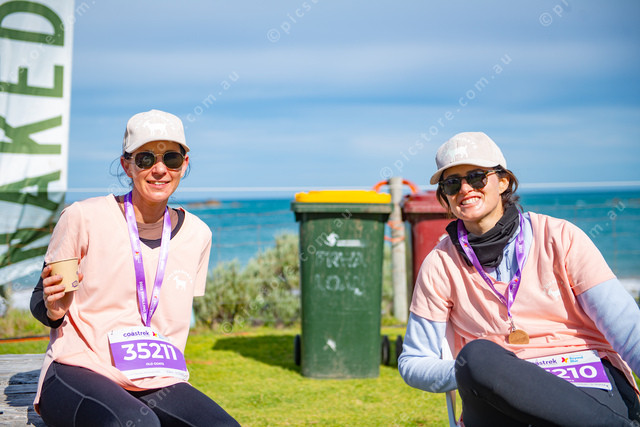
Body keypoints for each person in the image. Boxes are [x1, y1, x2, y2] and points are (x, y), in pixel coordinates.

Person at [398, 132, 640, 426]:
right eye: (452, 183)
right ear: (445, 196)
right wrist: (473, 370)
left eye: (476, 177)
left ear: (503, 181)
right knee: (477, 356)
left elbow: (628, 329)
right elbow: (413, 361)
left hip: (586, 381)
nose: (465, 189)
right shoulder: (439, 263)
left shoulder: (560, 237)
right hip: (498, 392)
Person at [30, 109, 240, 426]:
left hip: (156, 375)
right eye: (145, 159)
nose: (160, 169)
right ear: (127, 165)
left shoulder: (199, 234)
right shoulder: (82, 217)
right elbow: (40, 298)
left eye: (171, 158)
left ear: (184, 164)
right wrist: (54, 311)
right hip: (79, 366)